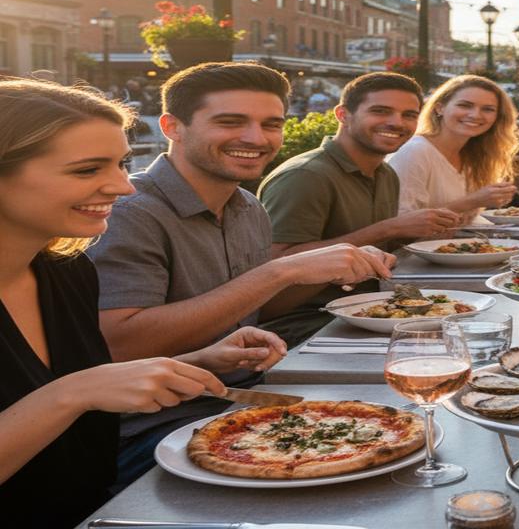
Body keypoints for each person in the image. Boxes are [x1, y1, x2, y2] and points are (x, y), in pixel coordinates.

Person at [0, 79, 287, 527]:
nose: (124, 187)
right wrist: (73, 393)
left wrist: (189, 363)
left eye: (121, 164)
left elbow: (87, 395)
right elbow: (73, 393)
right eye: (86, 170)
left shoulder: (66, 271)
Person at [89, 62, 394, 482]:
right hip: (150, 427)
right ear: (172, 127)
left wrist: (325, 271)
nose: (256, 138)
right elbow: (122, 344)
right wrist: (280, 271)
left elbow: (255, 309)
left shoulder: (247, 206)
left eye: (271, 124)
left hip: (243, 398)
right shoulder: (130, 213)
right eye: (230, 122)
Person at [257, 72, 461, 344]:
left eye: (409, 115)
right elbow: (276, 266)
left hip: (371, 308)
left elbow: (377, 249)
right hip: (304, 323)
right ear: (343, 115)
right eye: (380, 111)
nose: (396, 122)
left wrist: (418, 234)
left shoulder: (385, 173)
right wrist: (389, 228)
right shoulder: (306, 176)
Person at [386, 74, 519, 221]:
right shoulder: (415, 152)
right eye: (465, 105)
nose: (475, 115)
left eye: (488, 109)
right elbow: (402, 222)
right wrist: (473, 201)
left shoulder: (475, 155)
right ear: (440, 108)